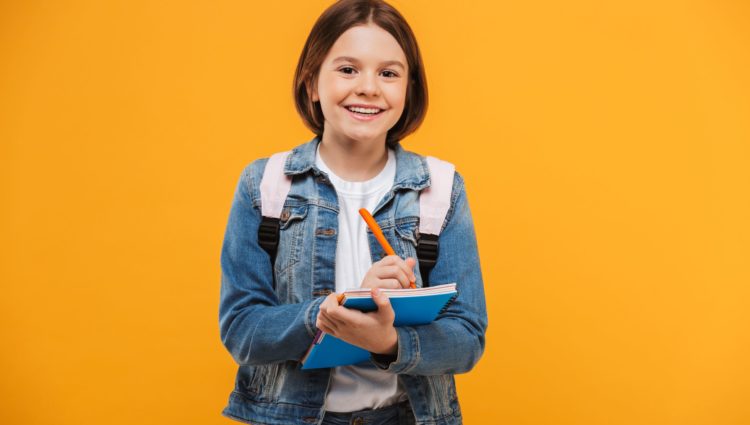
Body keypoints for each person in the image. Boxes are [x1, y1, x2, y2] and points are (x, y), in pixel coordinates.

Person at [218, 1, 487, 424]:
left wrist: (388, 341)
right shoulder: (264, 186)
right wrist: (333, 309)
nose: (368, 88)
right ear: (312, 82)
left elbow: (468, 337)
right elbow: (241, 330)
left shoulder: (441, 188)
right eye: (347, 69)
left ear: (409, 89)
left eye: (388, 73)